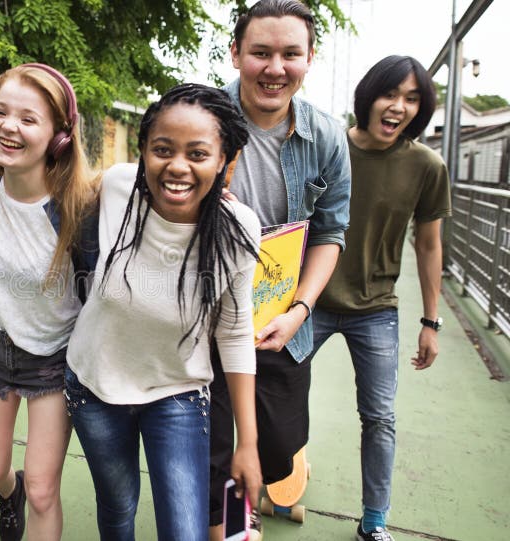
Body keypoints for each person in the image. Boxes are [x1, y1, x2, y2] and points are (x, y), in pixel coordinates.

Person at [66, 83, 262, 541]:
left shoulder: (239, 230)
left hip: (177, 389)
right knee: (117, 510)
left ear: (223, 162)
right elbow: (47, 176)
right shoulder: (118, 187)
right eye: (162, 150)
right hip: (95, 385)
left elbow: (234, 334)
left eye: (197, 154)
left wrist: (247, 443)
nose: (177, 166)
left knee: (186, 531)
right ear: (143, 153)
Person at [208, 1, 352, 538]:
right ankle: (233, 524)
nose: (275, 68)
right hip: (203, 314)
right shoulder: (202, 113)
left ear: (309, 58)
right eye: (261, 53)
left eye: (290, 54)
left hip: (279, 323)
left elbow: (330, 233)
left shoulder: (326, 138)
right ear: (236, 54)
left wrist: (299, 310)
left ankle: (268, 481)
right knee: (214, 447)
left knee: (276, 449)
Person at [311, 55, 451, 541]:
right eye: (391, 94)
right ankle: (258, 489)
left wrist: (431, 322)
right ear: (369, 96)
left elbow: (429, 244)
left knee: (380, 417)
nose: (399, 107)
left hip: (376, 310)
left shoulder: (427, 166)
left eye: (413, 99)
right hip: (310, 300)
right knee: (270, 394)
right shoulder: (329, 147)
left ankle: (373, 521)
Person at [0, 63, 97, 541]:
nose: (8, 126)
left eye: (28, 118)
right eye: (1, 112)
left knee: (44, 491)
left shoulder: (80, 207)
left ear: (60, 136)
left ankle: (28, 496)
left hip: (52, 361)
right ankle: (9, 494)